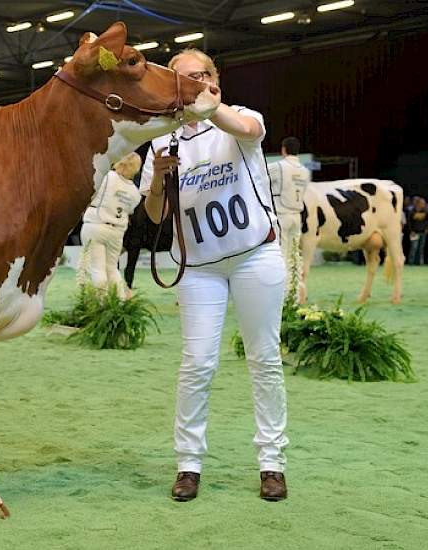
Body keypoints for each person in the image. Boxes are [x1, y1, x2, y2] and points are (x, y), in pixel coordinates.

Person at [141, 48, 288, 502]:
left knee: (264, 359)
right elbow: (154, 213)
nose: (195, 82)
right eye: (184, 78)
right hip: (197, 268)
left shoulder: (240, 118)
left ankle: (272, 462)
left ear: (215, 78)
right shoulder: (162, 142)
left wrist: (211, 105)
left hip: (254, 257)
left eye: (202, 74)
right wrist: (158, 180)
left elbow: (246, 129)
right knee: (197, 363)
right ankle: (188, 464)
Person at [76, 152, 143, 298]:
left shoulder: (107, 177)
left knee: (97, 269)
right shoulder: (135, 192)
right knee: (112, 269)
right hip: (117, 232)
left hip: (96, 225)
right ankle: (119, 303)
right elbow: (130, 210)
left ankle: (101, 304)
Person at [267, 136, 310, 291]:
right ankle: (295, 291)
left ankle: (282, 292)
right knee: (294, 256)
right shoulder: (305, 171)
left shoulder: (278, 166)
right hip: (297, 216)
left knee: (282, 254)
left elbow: (260, 177)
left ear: (283, 150)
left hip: (281, 214)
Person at [406, 196, 428, 265]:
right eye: (422, 203)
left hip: (423, 232)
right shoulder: (412, 212)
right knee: (414, 248)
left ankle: (418, 262)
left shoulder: (425, 212)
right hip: (414, 232)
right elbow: (409, 222)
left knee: (421, 248)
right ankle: (411, 262)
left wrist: (427, 229)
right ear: (418, 203)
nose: (424, 204)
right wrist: (411, 231)